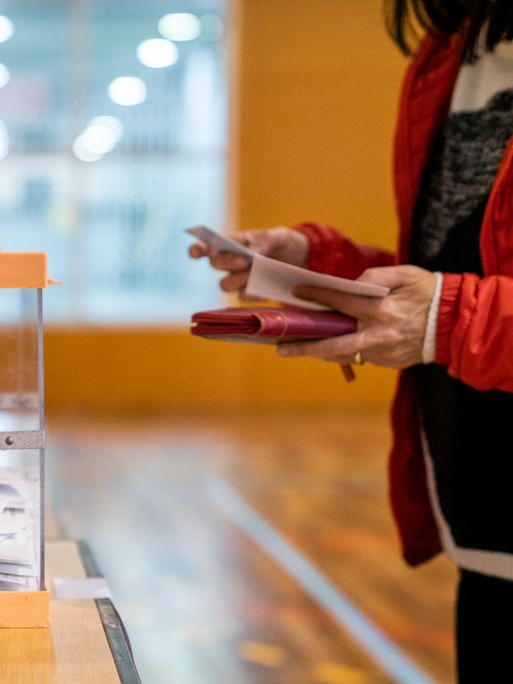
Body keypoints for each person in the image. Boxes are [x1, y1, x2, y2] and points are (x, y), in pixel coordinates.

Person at [192, 1, 513, 680]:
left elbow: (456, 305)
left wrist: (446, 319)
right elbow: (459, 268)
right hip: (480, 530)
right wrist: (320, 267)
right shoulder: (451, 53)